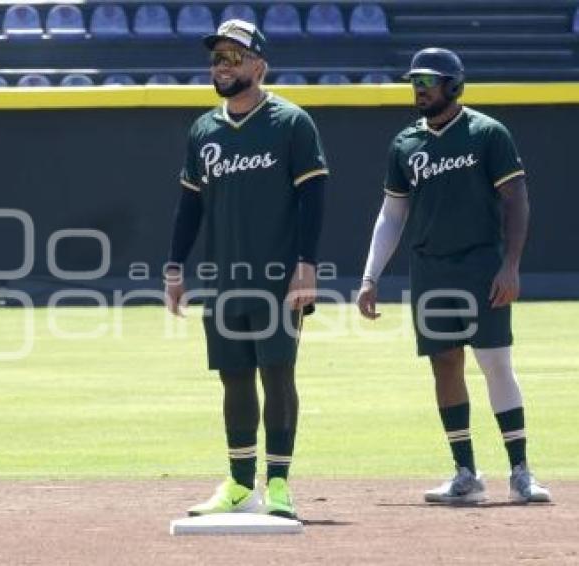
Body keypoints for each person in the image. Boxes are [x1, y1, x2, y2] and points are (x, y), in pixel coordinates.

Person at [356, 48, 550, 504]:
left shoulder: (487, 133)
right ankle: (465, 472)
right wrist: (370, 277)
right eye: (415, 82)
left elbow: (516, 199)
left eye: (429, 81)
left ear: (454, 85)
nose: (420, 89)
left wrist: (511, 264)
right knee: (444, 364)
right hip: (430, 270)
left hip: (483, 265)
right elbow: (392, 213)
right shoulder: (405, 144)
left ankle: (521, 471)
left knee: (495, 362)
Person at [165, 20, 328, 519]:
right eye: (217, 57)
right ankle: (239, 484)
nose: (222, 66)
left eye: (234, 57)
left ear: (259, 65)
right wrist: (175, 266)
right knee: (233, 376)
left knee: (278, 375)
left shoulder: (290, 122)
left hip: (278, 277)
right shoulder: (205, 130)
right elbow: (189, 204)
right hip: (223, 276)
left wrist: (306, 265)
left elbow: (313, 197)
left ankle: (277, 483)